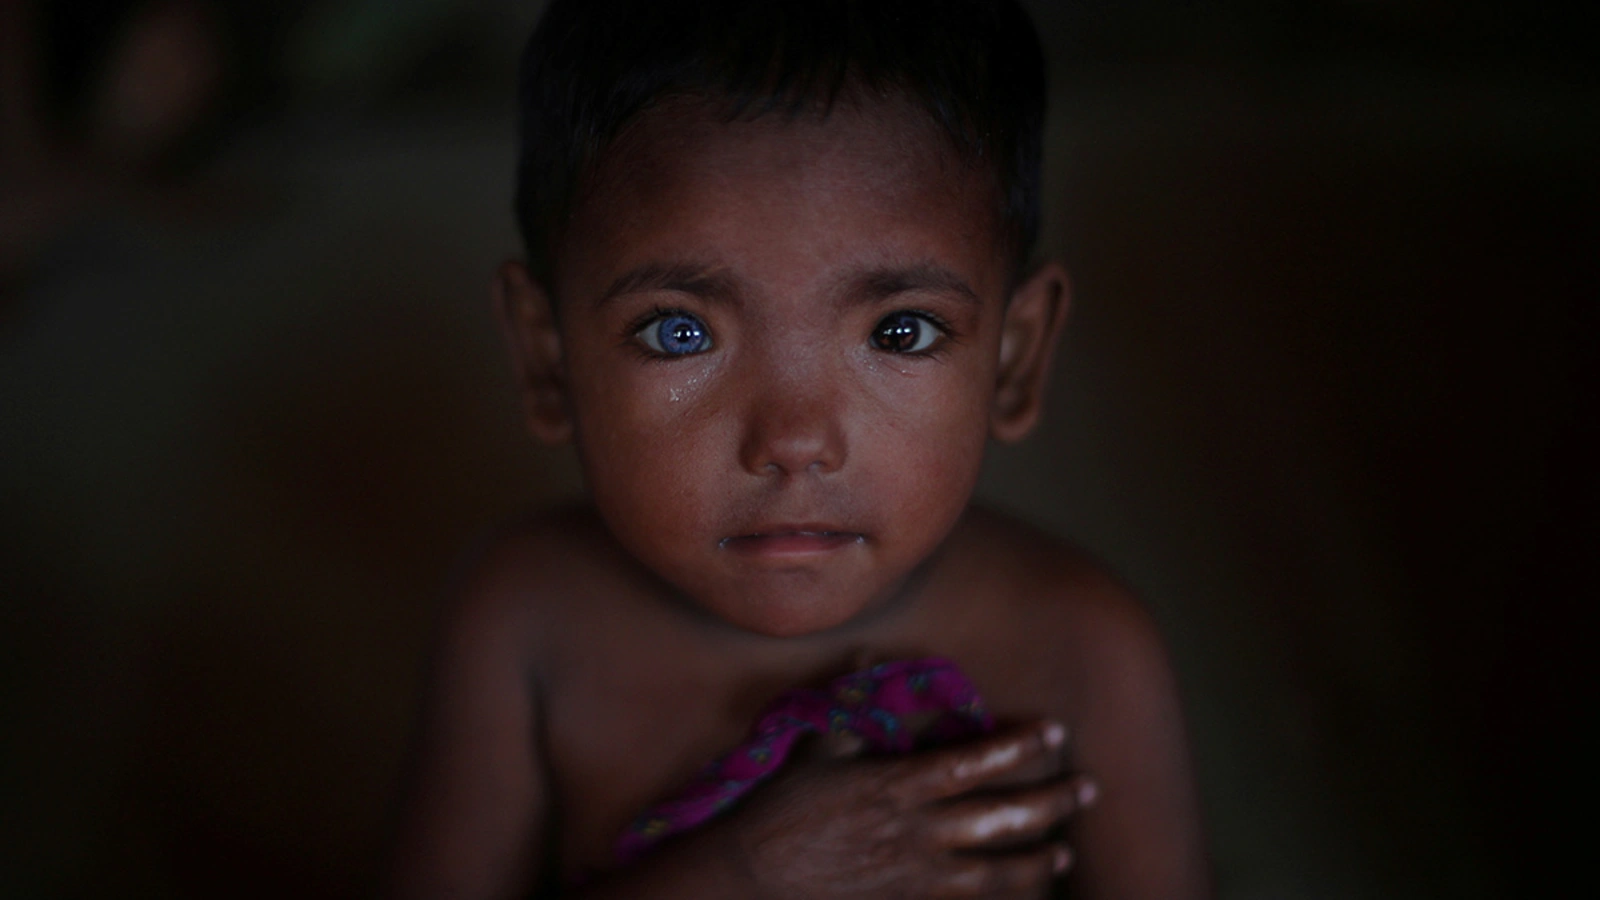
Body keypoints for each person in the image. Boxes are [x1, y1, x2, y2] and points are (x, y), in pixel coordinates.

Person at [386, 1, 1209, 897]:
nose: (793, 441)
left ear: (1013, 360)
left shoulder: (1082, 644)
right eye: (677, 332)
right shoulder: (526, 621)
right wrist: (744, 873)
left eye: (900, 331)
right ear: (548, 359)